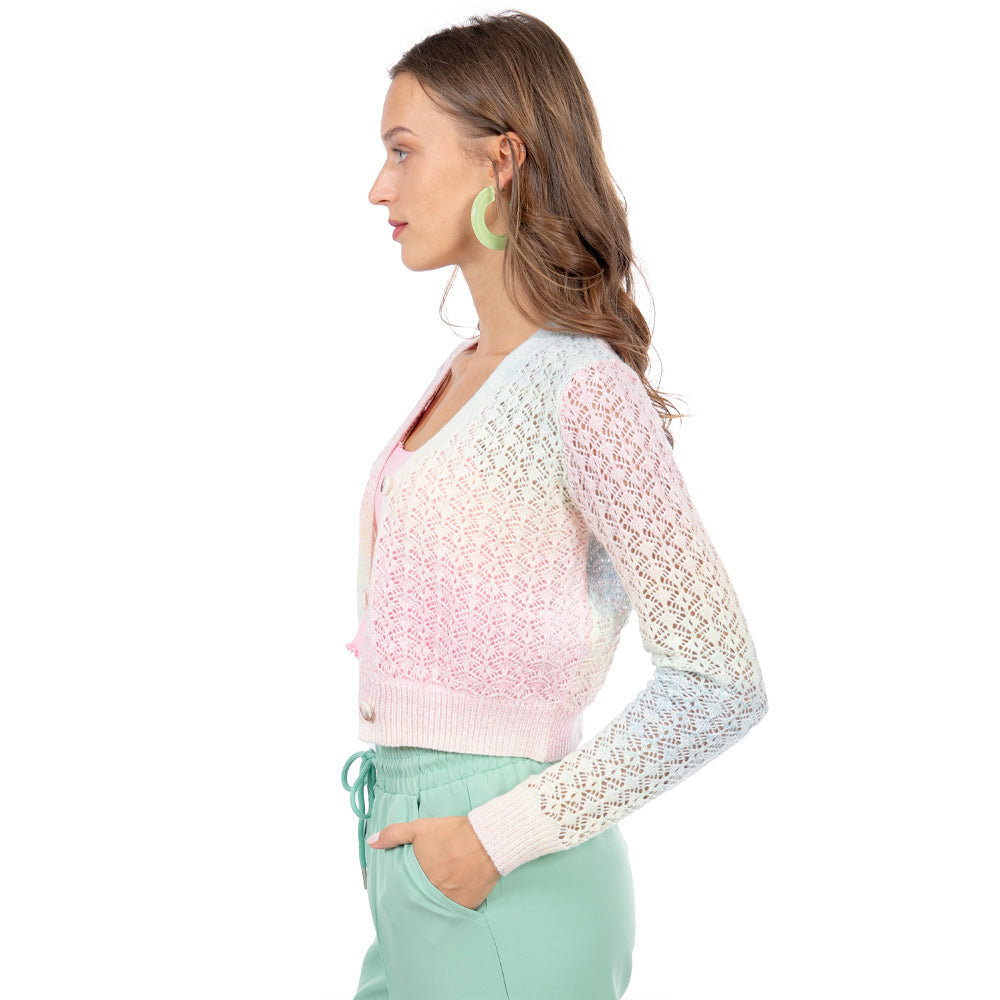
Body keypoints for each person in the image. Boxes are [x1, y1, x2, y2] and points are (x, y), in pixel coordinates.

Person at [340, 12, 768, 1000]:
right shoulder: (462, 372)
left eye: (403, 151)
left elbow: (720, 681)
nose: (378, 188)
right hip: (410, 855)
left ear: (501, 161)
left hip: (506, 875)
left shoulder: (582, 387)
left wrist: (492, 839)